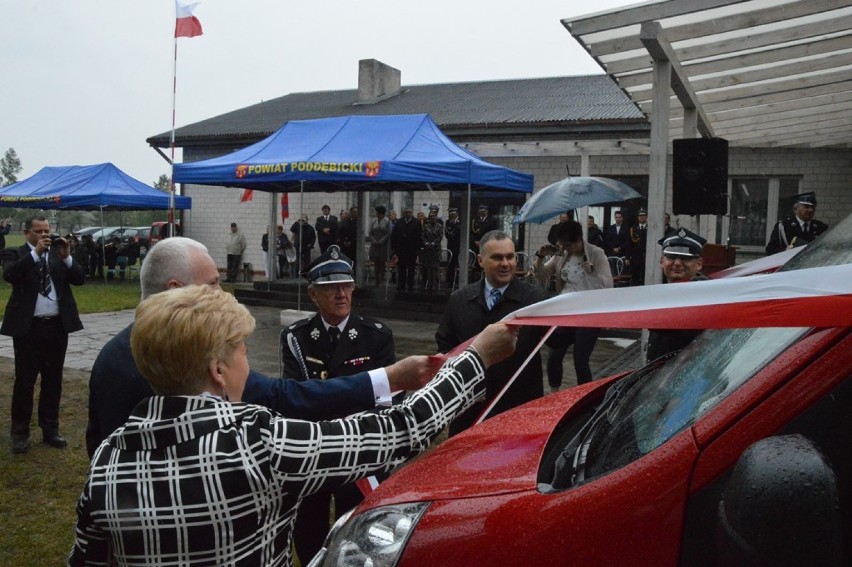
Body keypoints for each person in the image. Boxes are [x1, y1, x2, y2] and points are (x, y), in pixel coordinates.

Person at [70, 284, 516, 566]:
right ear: (217, 370)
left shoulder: (108, 457)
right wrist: (476, 357)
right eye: (241, 349)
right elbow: (399, 430)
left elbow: (87, 558)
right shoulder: (254, 441)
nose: (249, 360)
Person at [85, 237, 430, 459]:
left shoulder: (111, 356)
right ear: (175, 289)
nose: (223, 295)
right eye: (213, 285)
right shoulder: (181, 357)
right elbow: (284, 397)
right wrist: (391, 377)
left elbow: (97, 451)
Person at [280, 246, 397, 561]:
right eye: (331, 287)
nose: (341, 293)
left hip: (360, 452)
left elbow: (387, 400)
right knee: (310, 533)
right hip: (314, 451)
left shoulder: (376, 336)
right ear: (313, 294)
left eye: (346, 285)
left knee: (360, 534)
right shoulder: (297, 337)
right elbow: (295, 397)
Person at [436, 230, 547, 436]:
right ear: (481, 260)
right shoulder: (459, 300)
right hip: (469, 413)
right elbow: (445, 347)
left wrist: (569, 310)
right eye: (497, 257)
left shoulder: (535, 300)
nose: (505, 264)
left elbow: (559, 340)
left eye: (510, 256)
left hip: (518, 414)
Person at [1, 216, 85, 453]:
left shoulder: (58, 254)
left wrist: (67, 256)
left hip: (57, 327)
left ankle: (50, 429)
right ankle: (20, 433)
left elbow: (79, 279)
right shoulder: (14, 253)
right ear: (27, 233)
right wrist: (35, 254)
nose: (44, 235)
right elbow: (10, 275)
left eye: (47, 230)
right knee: (25, 381)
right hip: (29, 328)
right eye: (39, 231)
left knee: (53, 380)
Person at [533, 220, 613, 390]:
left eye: (567, 244)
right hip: (566, 311)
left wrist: (593, 272)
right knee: (554, 355)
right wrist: (540, 257)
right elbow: (541, 276)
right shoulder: (562, 254)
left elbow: (608, 285)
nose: (565, 248)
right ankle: (555, 393)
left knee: (580, 360)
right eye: (562, 244)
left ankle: (585, 398)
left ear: (578, 239)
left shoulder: (596, 254)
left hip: (588, 315)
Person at [646, 228, 709, 361]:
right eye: (672, 257)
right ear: (662, 261)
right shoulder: (666, 294)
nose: (678, 263)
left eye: (686, 258)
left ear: (699, 264)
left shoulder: (704, 295)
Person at [391, 207, 422, 292]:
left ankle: (410, 286)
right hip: (401, 250)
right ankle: (401, 285)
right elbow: (394, 235)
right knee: (401, 269)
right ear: (404, 213)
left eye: (409, 212)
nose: (408, 214)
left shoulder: (416, 222)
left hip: (412, 250)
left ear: (412, 213)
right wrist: (394, 248)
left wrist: (418, 249)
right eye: (406, 212)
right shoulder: (399, 222)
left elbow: (419, 237)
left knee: (411, 269)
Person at [421, 208, 443, 291]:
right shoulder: (426, 226)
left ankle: (434, 284)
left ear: (436, 217)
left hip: (436, 249)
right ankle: (429, 283)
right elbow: (423, 236)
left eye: (434, 216)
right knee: (428, 266)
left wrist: (433, 243)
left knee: (435, 267)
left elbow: (440, 237)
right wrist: (426, 243)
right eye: (431, 216)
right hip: (427, 249)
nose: (432, 218)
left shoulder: (439, 226)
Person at [368, 205, 391, 285]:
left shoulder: (387, 221)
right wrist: (374, 241)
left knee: (382, 263)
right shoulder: (373, 220)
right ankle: (376, 280)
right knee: (376, 263)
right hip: (374, 245)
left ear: (381, 212)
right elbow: (370, 232)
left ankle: (381, 279)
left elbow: (388, 233)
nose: (376, 213)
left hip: (383, 246)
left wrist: (381, 241)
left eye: (377, 212)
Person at [627, 208, 648, 286]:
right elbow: (629, 244)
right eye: (640, 216)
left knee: (644, 275)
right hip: (635, 256)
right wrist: (627, 257)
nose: (641, 217)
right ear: (638, 217)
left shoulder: (650, 228)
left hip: (646, 255)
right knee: (635, 275)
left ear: (646, 217)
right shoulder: (633, 229)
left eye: (643, 215)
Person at [444, 207, 461, 286]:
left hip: (459, 246)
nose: (452, 215)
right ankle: (450, 281)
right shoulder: (447, 222)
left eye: (453, 214)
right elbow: (447, 234)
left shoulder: (461, 222)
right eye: (451, 214)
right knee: (450, 263)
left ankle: (458, 280)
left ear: (457, 214)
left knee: (459, 263)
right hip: (451, 245)